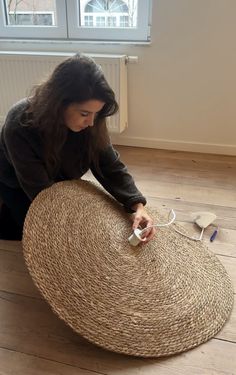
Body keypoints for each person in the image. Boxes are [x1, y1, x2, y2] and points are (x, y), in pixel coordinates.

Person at [0, 53, 156, 242]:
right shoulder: (19, 124)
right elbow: (39, 189)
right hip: (17, 183)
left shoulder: (91, 121)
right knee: (33, 235)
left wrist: (138, 205)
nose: (91, 122)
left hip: (61, 180)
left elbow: (109, 165)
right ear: (58, 104)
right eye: (84, 113)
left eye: (96, 114)